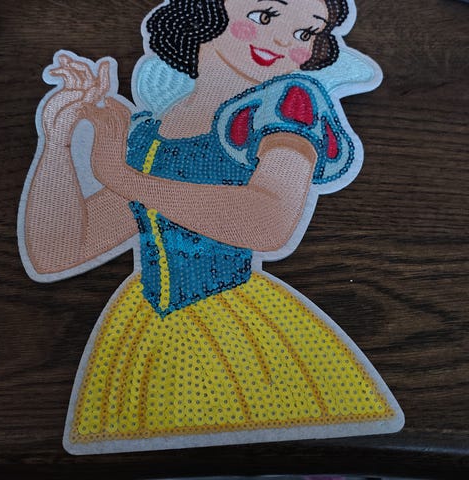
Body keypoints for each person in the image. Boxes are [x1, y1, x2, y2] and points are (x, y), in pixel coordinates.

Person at [20, 0, 403, 454]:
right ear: (202, 15)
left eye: (307, 34)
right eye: (265, 16)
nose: (286, 40)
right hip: (146, 334)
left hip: (242, 331)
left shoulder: (289, 106)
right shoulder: (147, 133)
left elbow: (269, 221)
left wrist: (122, 175)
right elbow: (59, 252)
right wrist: (58, 138)